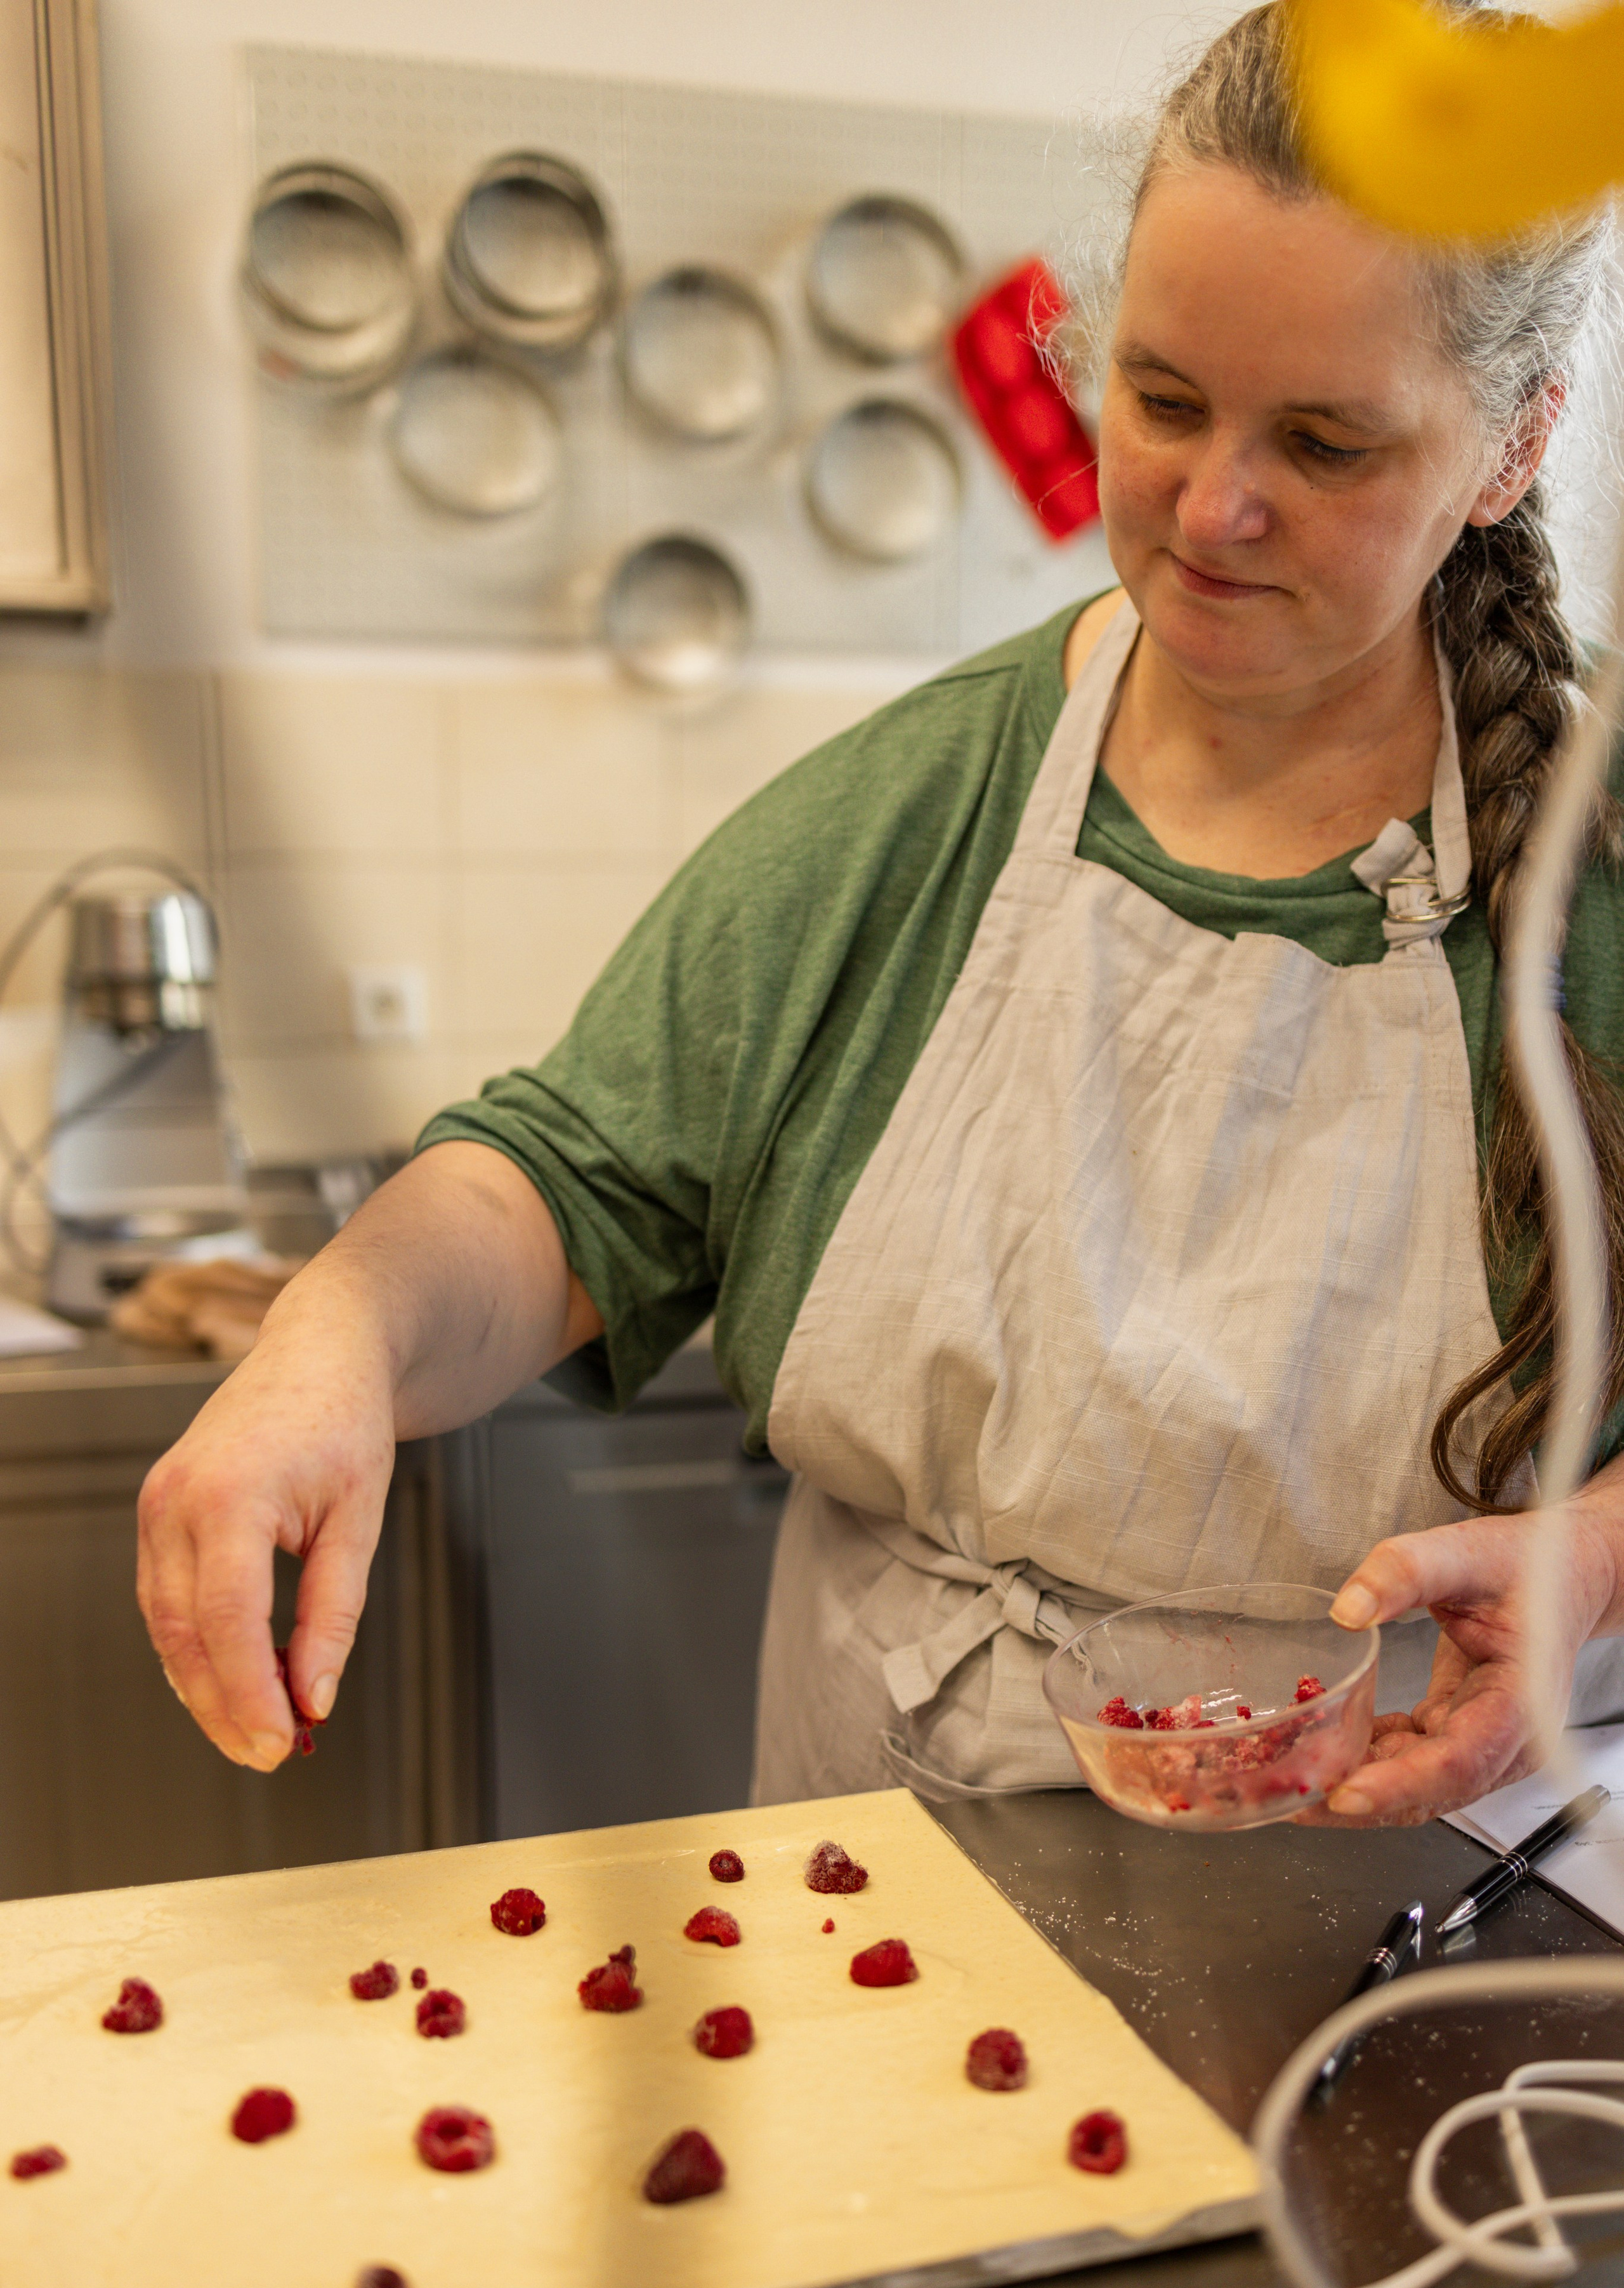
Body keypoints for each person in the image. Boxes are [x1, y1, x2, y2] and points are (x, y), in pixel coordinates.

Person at [139, 4, 1624, 1822]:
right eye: (1161, 401)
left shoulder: (1590, 858)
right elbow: (571, 1186)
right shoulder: (918, 810)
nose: (1213, 507)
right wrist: (339, 1333)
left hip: (1441, 1889)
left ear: (1511, 446)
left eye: (1325, 445)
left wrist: (1604, 1549)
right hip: (909, 1863)